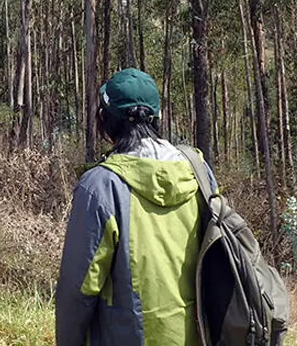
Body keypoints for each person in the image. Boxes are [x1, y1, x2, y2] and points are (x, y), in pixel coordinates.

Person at [55, 68, 218, 346]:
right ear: (155, 118)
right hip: (198, 336)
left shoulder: (100, 187)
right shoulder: (199, 171)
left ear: (105, 120)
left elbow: (78, 288)